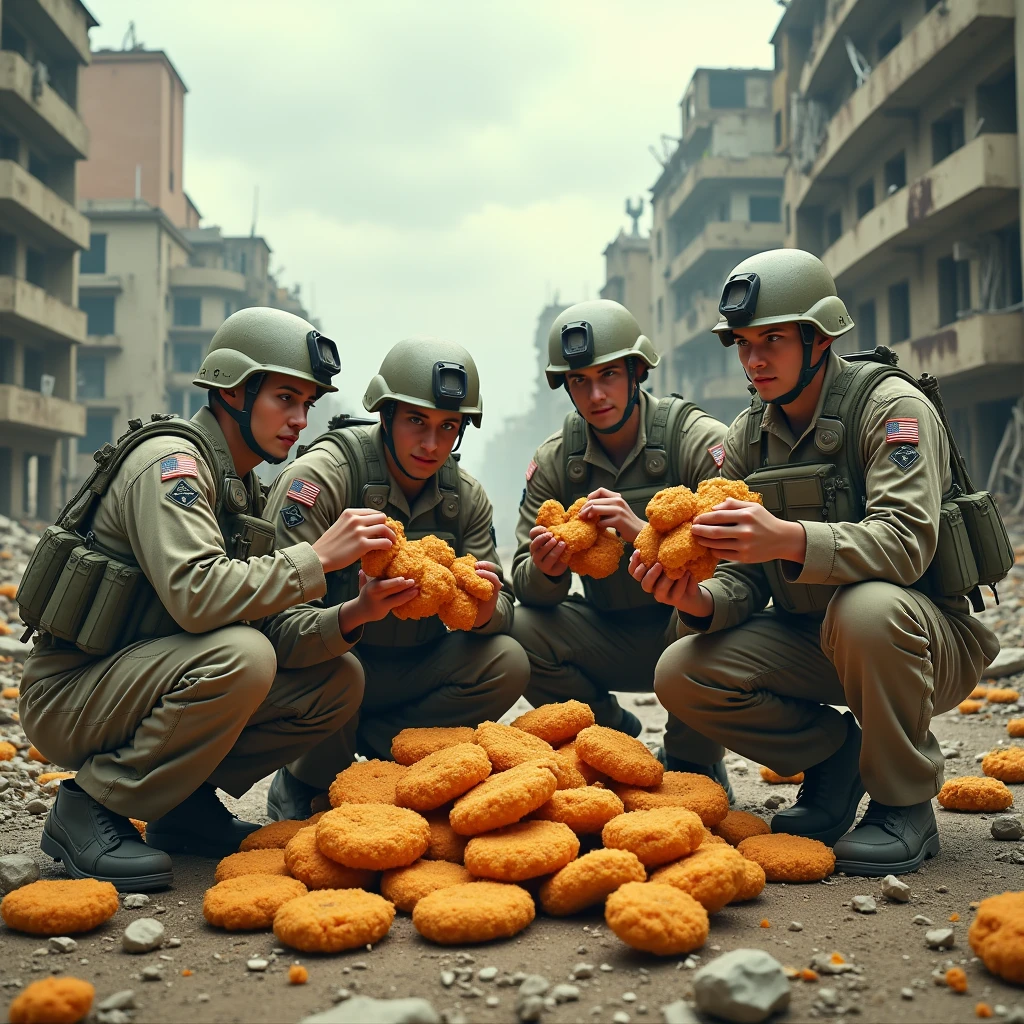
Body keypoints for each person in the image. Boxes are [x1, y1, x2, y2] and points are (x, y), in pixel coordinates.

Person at [636, 249, 1000, 875]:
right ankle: (835, 759)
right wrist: (698, 600)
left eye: (772, 339)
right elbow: (743, 580)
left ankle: (903, 802)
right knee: (681, 670)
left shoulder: (891, 409)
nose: (753, 360)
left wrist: (788, 539)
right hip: (817, 642)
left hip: (923, 638)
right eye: (743, 344)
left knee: (867, 607)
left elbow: (908, 541)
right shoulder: (747, 438)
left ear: (819, 338)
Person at [16, 307, 386, 891]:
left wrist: (356, 612)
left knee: (335, 679)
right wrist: (318, 558)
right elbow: (197, 596)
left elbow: (267, 624)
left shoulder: (237, 487)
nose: (299, 420)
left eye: (307, 404)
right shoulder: (174, 466)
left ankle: (180, 805)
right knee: (242, 657)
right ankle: (88, 806)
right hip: (72, 690)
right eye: (285, 398)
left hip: (140, 681)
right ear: (235, 391)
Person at [262, 338, 529, 820]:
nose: (432, 445)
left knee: (506, 659)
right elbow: (274, 620)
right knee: (336, 668)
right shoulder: (323, 479)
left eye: (449, 427)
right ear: (385, 417)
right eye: (416, 423)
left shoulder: (464, 497)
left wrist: (487, 608)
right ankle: (305, 778)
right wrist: (355, 612)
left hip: (414, 667)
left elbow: (503, 604)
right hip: (333, 665)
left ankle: (394, 756)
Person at [510, 299, 733, 789]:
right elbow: (523, 579)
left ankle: (693, 757)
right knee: (516, 629)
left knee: (721, 617)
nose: (595, 395)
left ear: (636, 372)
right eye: (579, 382)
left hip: (689, 629)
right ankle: (609, 737)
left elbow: (738, 560)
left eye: (608, 374)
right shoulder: (554, 461)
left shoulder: (694, 438)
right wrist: (547, 569)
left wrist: (639, 531)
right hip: (609, 633)